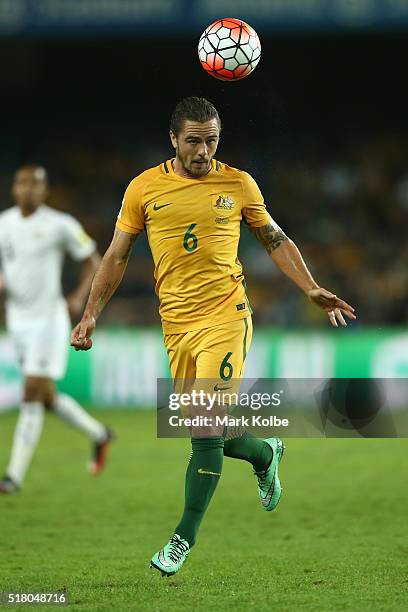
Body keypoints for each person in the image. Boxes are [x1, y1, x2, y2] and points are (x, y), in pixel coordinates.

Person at [70, 97, 356, 576]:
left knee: (203, 429)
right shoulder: (143, 189)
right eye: (194, 141)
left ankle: (182, 538)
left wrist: (309, 287)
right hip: (176, 326)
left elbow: (275, 240)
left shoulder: (239, 183)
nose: (203, 151)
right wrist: (91, 313)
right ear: (174, 140)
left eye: (212, 141)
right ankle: (265, 452)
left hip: (226, 316)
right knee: (205, 429)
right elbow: (117, 256)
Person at [0, 165, 114, 494]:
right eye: (23, 183)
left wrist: (79, 298)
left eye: (36, 184)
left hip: (49, 319)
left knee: (31, 391)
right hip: (17, 321)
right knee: (45, 397)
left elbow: (94, 260)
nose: (29, 190)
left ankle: (13, 476)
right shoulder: (4, 224)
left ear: (45, 190)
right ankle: (100, 434)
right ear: (14, 189)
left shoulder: (59, 224)